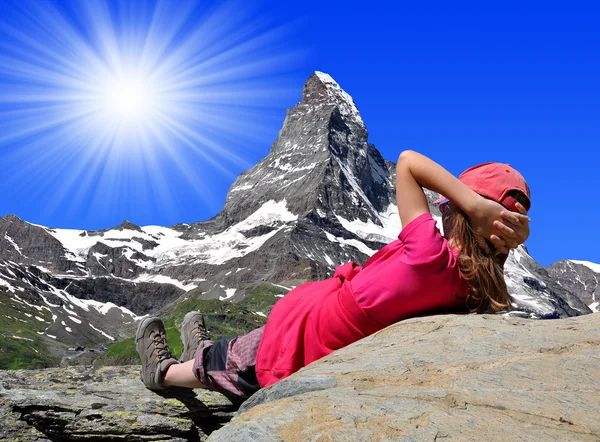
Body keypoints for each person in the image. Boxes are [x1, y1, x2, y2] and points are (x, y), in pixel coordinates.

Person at [136, 150, 531, 398]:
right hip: (307, 328)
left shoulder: (430, 254)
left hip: (300, 346)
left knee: (228, 362)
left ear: (470, 213)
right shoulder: (478, 290)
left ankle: (166, 372)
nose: (443, 211)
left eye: (449, 207)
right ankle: (199, 351)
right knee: (238, 346)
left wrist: (472, 203)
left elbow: (409, 162)